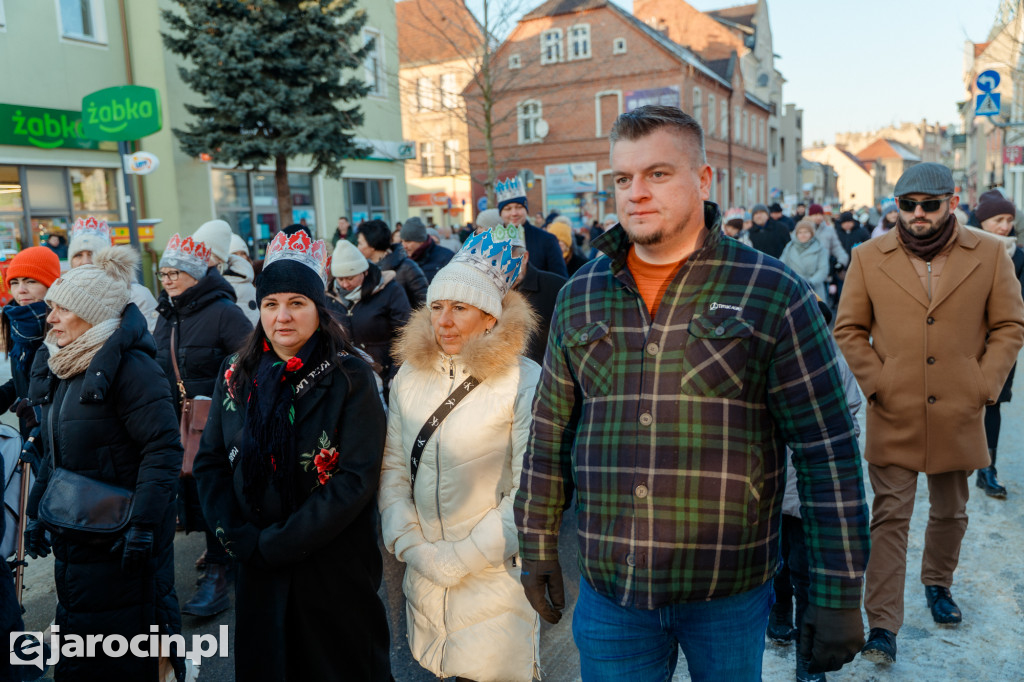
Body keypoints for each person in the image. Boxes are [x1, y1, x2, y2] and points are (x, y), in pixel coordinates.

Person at [515, 105, 869, 681]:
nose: (636, 192)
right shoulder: (581, 293)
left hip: (726, 590)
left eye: (657, 174)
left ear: (703, 180)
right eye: (623, 178)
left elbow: (826, 449)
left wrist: (838, 589)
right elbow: (549, 434)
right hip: (613, 589)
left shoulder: (772, 290)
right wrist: (536, 544)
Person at [834, 163, 1024, 664]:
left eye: (929, 205)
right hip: (893, 410)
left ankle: (938, 583)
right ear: (896, 206)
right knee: (889, 517)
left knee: (951, 511)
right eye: (907, 204)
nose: (918, 213)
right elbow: (848, 328)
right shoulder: (868, 256)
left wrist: (983, 383)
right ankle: (882, 625)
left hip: (959, 409)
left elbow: (1009, 325)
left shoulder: (989, 252)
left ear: (952, 202)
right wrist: (878, 383)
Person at [193, 230, 391, 681]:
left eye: (296, 303)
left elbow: (356, 479)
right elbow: (211, 464)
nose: (282, 316)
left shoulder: (351, 376)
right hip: (256, 565)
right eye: (271, 304)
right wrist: (237, 538)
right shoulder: (234, 373)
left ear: (318, 308)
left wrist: (280, 543)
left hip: (332, 568)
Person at [379, 229, 541, 682]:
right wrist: (413, 547)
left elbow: (529, 491)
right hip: (425, 578)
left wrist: (460, 558)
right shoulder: (409, 377)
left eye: (460, 308)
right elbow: (393, 470)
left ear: (490, 317)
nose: (444, 321)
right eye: (437, 307)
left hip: (493, 579)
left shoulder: (523, 381)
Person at [23, 246, 186, 680]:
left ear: (91, 314)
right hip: (79, 538)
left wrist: (143, 527)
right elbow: (56, 453)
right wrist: (38, 514)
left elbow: (163, 451)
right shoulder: (69, 365)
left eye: (62, 309)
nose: (51, 318)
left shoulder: (133, 369)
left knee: (127, 656)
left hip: (122, 542)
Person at [153, 233, 253, 617]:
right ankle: (223, 557)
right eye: (163, 273)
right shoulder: (168, 314)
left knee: (215, 489)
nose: (167, 280)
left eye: (175, 272)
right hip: (178, 420)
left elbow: (249, 362)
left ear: (195, 274)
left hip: (220, 421)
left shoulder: (224, 312)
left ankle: (218, 570)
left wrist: (229, 407)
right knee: (194, 492)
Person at [770, 299, 862, 682]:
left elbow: (851, 412)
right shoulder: (773, 362)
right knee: (775, 563)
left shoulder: (834, 366)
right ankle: (779, 615)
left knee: (806, 572)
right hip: (775, 489)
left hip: (813, 493)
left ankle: (807, 661)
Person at [969, 189, 1024, 498]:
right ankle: (956, 463)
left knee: (993, 404)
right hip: (964, 341)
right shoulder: (962, 251)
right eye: (998, 220)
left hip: (1002, 345)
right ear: (982, 220)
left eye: (1009, 220)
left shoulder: (1019, 257)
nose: (1005, 226)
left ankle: (987, 469)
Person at [0, 247, 61, 454]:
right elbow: (25, 377)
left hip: (62, 439)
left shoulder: (65, 325)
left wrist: (40, 409)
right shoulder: (17, 322)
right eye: (14, 282)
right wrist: (4, 395)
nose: (21, 290)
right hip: (32, 439)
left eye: (31, 281)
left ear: (50, 285)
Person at [329, 239, 411, 387]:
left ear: (365, 272)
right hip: (346, 377)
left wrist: (396, 373)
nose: (345, 284)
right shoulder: (329, 296)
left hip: (384, 373)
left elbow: (405, 333)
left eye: (350, 278)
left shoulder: (391, 291)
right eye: (340, 279)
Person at [67, 216, 160, 332]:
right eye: (78, 255)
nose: (85, 261)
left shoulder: (136, 295)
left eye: (91, 254)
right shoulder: (65, 298)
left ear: (105, 258)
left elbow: (152, 339)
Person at [496, 177, 568, 277]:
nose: (514, 213)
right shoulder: (492, 241)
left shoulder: (547, 240)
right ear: (500, 213)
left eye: (519, 207)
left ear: (526, 210)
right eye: (508, 209)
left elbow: (560, 279)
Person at [193, 220, 259, 325]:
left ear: (219, 260)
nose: (197, 261)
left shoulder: (239, 286)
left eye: (203, 255)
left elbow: (248, 329)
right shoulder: (199, 283)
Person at [357, 219, 429, 307]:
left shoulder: (407, 267)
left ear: (372, 245)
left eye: (360, 243)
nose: (358, 248)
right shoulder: (363, 269)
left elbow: (424, 303)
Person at [780, 220, 829, 301]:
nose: (803, 235)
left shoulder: (820, 248)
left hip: (814, 289)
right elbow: (782, 265)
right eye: (800, 232)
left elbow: (823, 270)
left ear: (811, 234)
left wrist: (810, 282)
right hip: (793, 287)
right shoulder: (789, 247)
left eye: (806, 232)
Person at [400, 217, 455, 283]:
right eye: (402, 241)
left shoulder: (446, 257)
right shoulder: (401, 259)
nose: (404, 246)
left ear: (421, 241)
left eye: (408, 241)